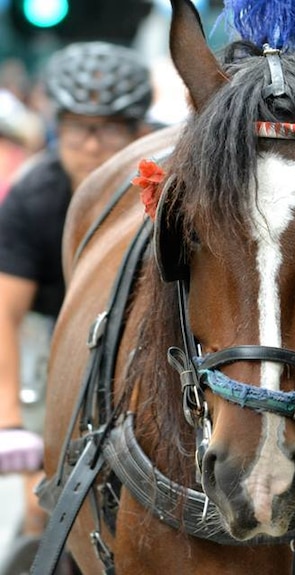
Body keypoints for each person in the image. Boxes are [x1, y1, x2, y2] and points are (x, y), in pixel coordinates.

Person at [0, 41, 152, 539]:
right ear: (54, 125)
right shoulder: (32, 199)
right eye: (76, 127)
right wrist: (13, 427)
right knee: (47, 507)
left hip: (140, 336)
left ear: (139, 133)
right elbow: (5, 315)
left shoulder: (160, 193)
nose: (91, 145)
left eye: (109, 129)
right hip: (54, 338)